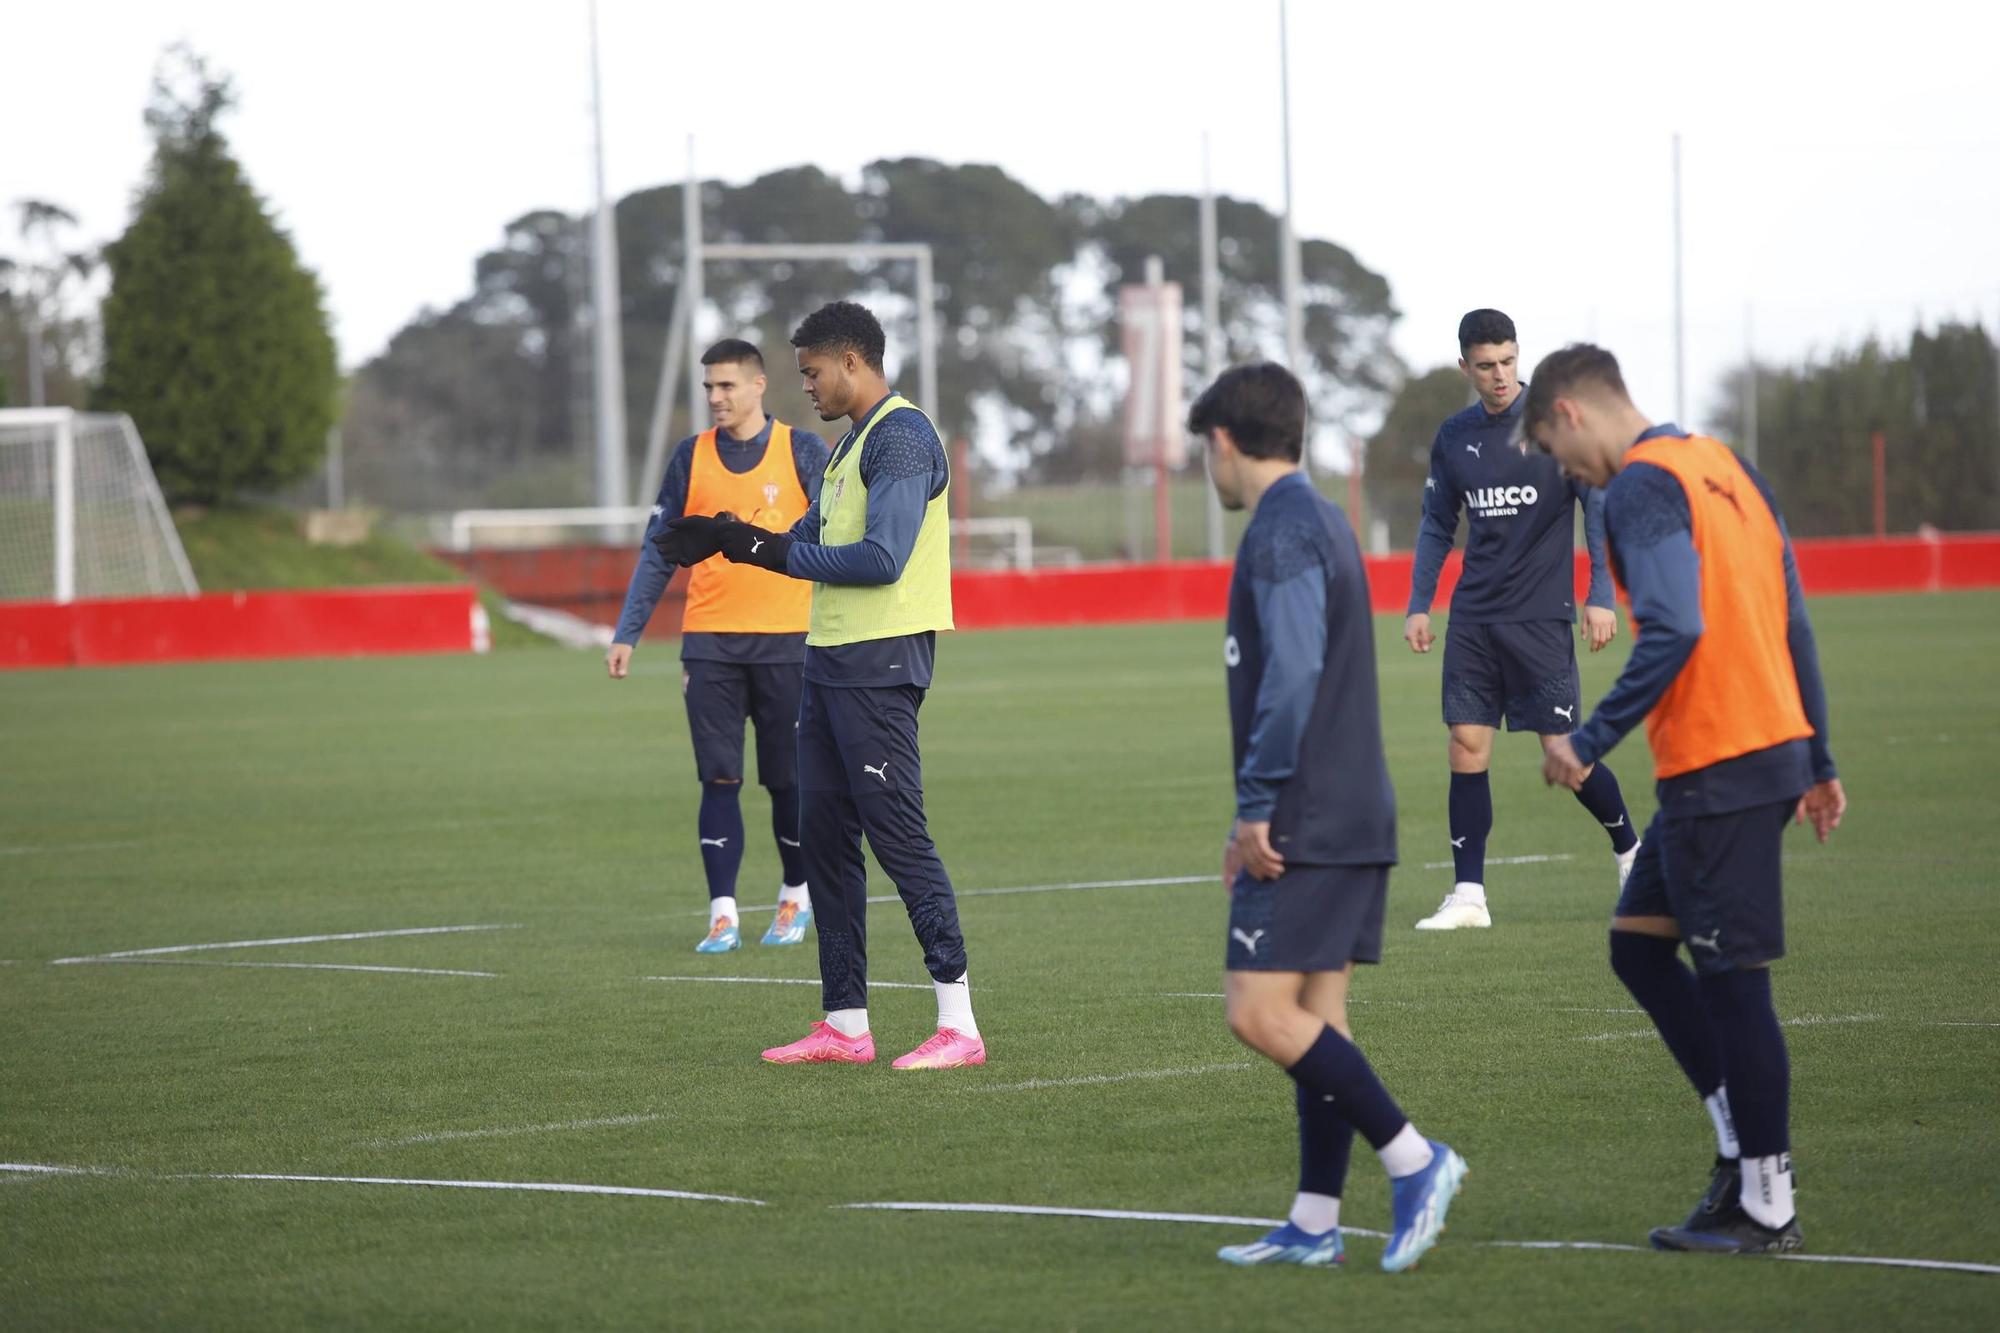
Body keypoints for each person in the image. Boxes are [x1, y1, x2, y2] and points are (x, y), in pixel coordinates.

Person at [1523, 343, 1845, 1254]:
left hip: (1721, 762)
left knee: (1735, 983)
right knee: (1638, 947)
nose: (1565, 472)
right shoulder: (1724, 467)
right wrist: (1818, 756)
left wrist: (1586, 741)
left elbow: (1675, 627)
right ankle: (1740, 1146)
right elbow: (1794, 619)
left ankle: (1766, 1202)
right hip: (1761, 752)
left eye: (1553, 448)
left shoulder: (1639, 487)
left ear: (1572, 413)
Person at [656, 301, 982, 1070]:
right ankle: (845, 1021)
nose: (804, 388)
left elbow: (882, 558)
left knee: (900, 841)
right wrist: (732, 537)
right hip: (829, 665)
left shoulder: (901, 436)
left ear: (851, 363)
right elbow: (803, 542)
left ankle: (959, 1023)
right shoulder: (848, 448)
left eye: (810, 373)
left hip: (881, 664)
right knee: (827, 845)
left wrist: (775, 551)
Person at [1193, 362, 1466, 1274]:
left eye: (1207, 451)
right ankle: (1314, 1221)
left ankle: (1415, 1160)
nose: (1209, 468)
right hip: (1350, 807)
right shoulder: (1321, 517)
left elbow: (1295, 672)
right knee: (1319, 1014)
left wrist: (1255, 807)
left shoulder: (1280, 530)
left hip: (1308, 815)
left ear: (1225, 443)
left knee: (1257, 1009)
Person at [1403, 309, 1639, 930]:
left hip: (1540, 618)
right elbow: (1435, 524)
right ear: (1466, 367)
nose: (1501, 374)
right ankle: (1469, 896)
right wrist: (1419, 604)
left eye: (1508, 360)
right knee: (1465, 746)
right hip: (1474, 617)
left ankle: (1632, 854)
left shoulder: (1555, 424)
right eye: (1486, 365)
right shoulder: (1455, 437)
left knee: (1566, 756)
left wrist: (1601, 595)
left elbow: (1599, 506)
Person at [607, 338, 828, 954]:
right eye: (708, 387)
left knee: (787, 781)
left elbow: (837, 536)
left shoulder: (802, 450)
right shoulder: (690, 457)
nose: (715, 397)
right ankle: (723, 913)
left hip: (788, 643)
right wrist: (628, 631)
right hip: (709, 645)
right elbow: (660, 549)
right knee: (719, 779)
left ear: (759, 386)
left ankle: (794, 897)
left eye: (726, 385)